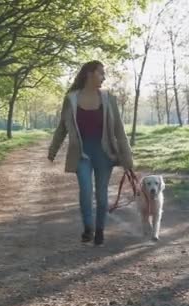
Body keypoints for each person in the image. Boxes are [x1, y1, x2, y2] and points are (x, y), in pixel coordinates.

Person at [48, 60, 134, 246]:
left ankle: (100, 230)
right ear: (89, 74)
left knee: (102, 194)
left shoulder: (108, 98)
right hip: (81, 154)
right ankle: (88, 228)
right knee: (86, 191)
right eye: (101, 73)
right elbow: (62, 127)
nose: (104, 77)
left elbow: (119, 130)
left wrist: (127, 158)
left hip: (104, 154)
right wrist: (53, 149)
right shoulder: (71, 98)